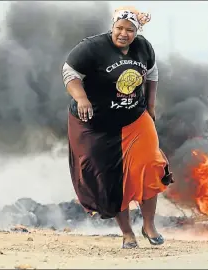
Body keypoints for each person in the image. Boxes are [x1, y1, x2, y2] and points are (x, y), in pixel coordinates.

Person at [61, 6, 173, 249]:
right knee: (111, 178)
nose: (123, 33)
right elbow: (70, 72)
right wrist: (81, 98)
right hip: (97, 123)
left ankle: (149, 225)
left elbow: (152, 73)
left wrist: (150, 107)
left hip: (134, 118)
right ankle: (127, 234)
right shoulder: (92, 48)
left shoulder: (143, 47)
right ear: (112, 26)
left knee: (150, 165)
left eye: (130, 30)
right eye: (119, 28)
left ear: (137, 31)